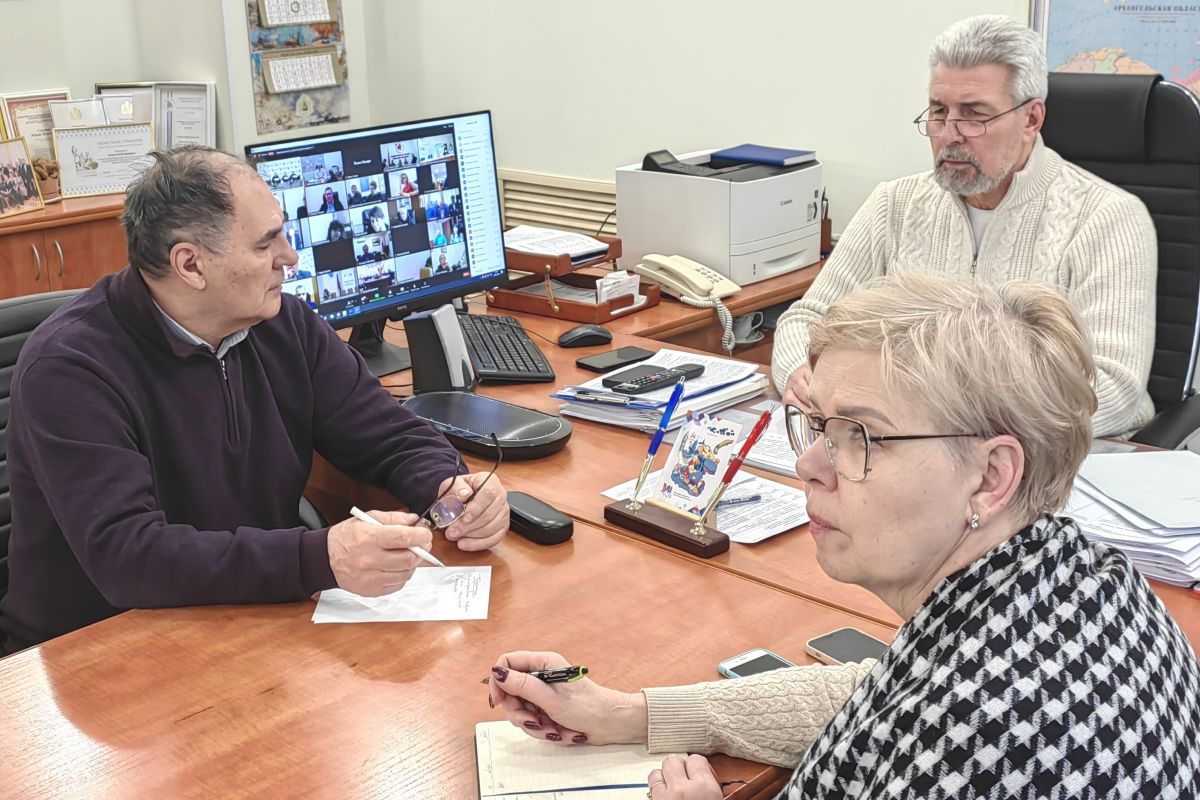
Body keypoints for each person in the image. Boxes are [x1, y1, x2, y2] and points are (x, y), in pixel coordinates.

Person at [491, 275, 1200, 799]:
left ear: (990, 477)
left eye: (859, 435)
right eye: (818, 425)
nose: (809, 464)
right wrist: (630, 714)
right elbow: (881, 693)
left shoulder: (980, 736)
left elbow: (936, 720)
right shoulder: (1087, 580)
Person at [0, 146, 510, 653]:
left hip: (251, 615)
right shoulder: (69, 368)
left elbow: (388, 434)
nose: (290, 257)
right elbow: (129, 556)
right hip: (100, 646)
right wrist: (318, 557)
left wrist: (448, 487)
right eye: (267, 243)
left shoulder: (284, 324)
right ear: (191, 265)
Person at [771, 15, 1157, 438]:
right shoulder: (895, 203)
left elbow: (1113, 387)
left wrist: (940, 422)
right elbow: (807, 319)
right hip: (898, 441)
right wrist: (803, 378)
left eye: (974, 115)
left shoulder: (1108, 218)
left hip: (1054, 457)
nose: (949, 134)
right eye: (939, 111)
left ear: (1031, 119)